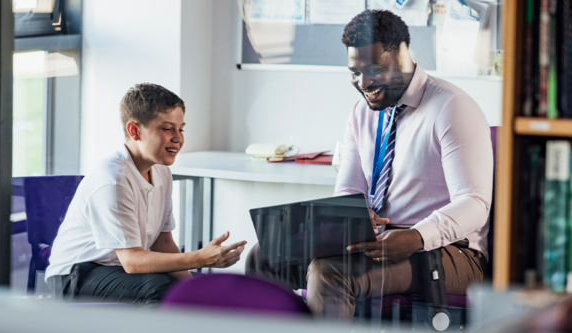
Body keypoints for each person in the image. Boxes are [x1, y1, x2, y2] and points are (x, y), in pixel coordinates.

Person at [246, 10, 492, 321]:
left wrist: (416, 236)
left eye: (374, 69)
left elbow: (475, 203)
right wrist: (356, 215)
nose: (364, 83)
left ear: (403, 55)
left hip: (449, 252)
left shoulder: (451, 107)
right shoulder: (362, 114)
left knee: (329, 273)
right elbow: (349, 189)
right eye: (355, 72)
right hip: (377, 241)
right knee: (264, 256)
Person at [46, 83, 247, 306]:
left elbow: (163, 243)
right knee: (162, 290)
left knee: (199, 291)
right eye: (167, 128)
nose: (178, 138)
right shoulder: (113, 179)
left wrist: (195, 290)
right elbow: (132, 261)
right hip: (77, 275)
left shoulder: (162, 172)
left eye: (181, 129)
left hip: (118, 268)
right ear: (134, 131)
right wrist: (200, 258)